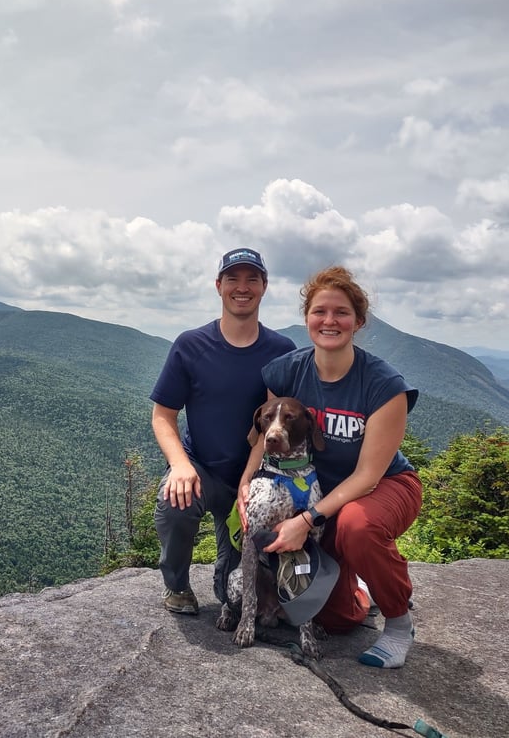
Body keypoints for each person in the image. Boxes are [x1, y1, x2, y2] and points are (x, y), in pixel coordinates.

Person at [240, 265, 422, 668]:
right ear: (307, 318)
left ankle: (397, 623)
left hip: (380, 488)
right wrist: (247, 481)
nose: (329, 321)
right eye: (319, 311)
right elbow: (268, 435)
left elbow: (368, 475)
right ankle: (361, 587)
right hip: (321, 492)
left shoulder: (383, 384)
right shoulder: (289, 370)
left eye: (341, 312)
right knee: (334, 618)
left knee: (359, 526)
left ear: (358, 321)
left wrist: (305, 520)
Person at [151, 248, 296, 615]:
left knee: (231, 593)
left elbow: (273, 430)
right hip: (204, 470)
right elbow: (163, 416)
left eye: (252, 279)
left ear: (264, 287)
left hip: (256, 478)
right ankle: (177, 587)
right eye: (233, 279)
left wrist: (248, 482)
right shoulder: (191, 345)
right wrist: (181, 467)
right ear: (219, 286)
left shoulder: (281, 352)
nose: (242, 287)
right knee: (175, 500)